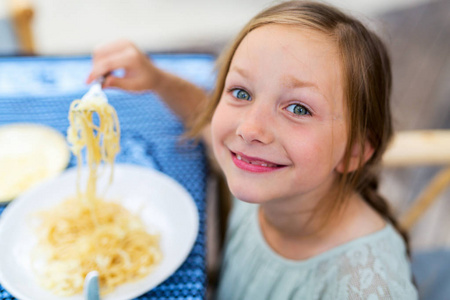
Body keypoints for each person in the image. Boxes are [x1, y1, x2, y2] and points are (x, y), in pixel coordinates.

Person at [87, 1, 418, 299]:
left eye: (299, 109)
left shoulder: (368, 287)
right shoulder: (264, 172)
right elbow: (204, 116)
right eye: (242, 93)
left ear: (354, 152)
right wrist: (157, 79)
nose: (248, 129)